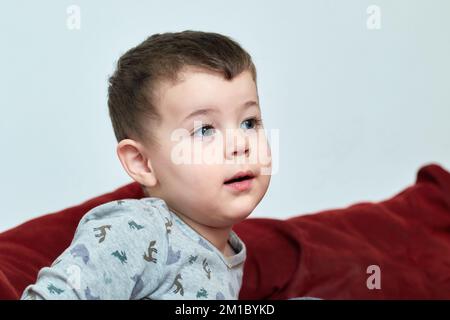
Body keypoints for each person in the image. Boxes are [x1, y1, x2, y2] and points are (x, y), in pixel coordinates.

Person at [21, 30, 272, 300]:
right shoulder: (138, 230)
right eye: (205, 130)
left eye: (249, 122)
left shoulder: (226, 249)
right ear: (142, 163)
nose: (239, 144)